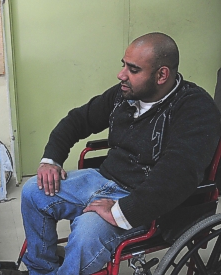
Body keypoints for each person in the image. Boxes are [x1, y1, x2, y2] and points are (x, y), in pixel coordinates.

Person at [21, 32, 221, 275]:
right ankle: (41, 270)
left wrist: (121, 210)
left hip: (147, 200)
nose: (121, 74)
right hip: (103, 180)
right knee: (33, 191)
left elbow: (179, 174)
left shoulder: (195, 109)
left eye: (133, 69)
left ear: (162, 75)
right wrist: (51, 160)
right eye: (123, 65)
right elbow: (77, 120)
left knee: (87, 231)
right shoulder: (125, 93)